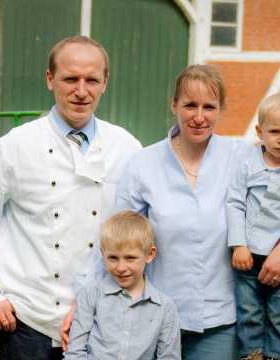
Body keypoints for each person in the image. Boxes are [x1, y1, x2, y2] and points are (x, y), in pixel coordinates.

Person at [0, 36, 142, 360]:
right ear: (50, 79)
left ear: (105, 83)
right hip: (27, 325)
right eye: (70, 78)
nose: (81, 91)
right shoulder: (15, 146)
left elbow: (139, 231)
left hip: (102, 321)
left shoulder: (126, 148)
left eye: (91, 80)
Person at [114, 64, 243, 358]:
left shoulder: (240, 158)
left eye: (209, 107)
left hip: (219, 320)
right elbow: (117, 238)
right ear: (174, 105)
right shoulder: (142, 164)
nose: (199, 117)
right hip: (153, 318)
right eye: (190, 105)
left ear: (220, 109)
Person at [226, 93, 280, 360]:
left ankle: (277, 356)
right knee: (249, 312)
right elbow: (234, 203)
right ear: (260, 132)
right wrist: (238, 244)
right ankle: (251, 355)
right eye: (274, 131)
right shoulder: (247, 166)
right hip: (248, 256)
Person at [65, 210, 181, 359]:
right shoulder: (90, 295)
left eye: (130, 258)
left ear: (150, 254)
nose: (120, 268)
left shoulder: (165, 308)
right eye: (113, 258)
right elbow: (74, 353)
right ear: (102, 253)